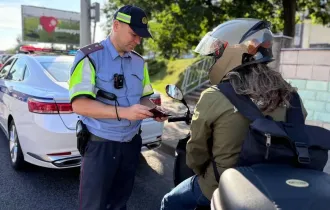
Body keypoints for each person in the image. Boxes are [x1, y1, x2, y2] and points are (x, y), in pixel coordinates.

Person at [160, 18, 307, 210]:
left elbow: (196, 151)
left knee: (170, 201)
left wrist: (201, 172)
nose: (214, 59)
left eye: (217, 54)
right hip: (277, 187)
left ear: (235, 51)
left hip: (222, 187)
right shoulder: (291, 96)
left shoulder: (215, 95)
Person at [69, 5, 167, 210]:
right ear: (116, 25)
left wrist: (154, 110)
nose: (138, 41)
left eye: (141, 37)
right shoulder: (89, 57)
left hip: (131, 144)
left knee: (120, 203)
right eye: (134, 34)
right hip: (100, 146)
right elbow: (79, 104)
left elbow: (145, 97)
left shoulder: (140, 62)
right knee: (93, 206)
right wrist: (124, 112)